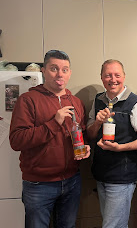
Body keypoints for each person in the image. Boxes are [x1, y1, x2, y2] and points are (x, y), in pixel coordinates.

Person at [9, 50, 91, 228]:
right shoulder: (28, 100)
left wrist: (85, 147)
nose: (60, 74)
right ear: (44, 70)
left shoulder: (76, 102)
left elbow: (80, 133)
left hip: (72, 180)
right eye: (54, 69)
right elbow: (17, 140)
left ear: (69, 73)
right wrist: (54, 123)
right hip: (39, 184)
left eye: (65, 69)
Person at [86, 59, 137, 228]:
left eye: (117, 75)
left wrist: (120, 148)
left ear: (124, 76)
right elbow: (90, 134)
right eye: (108, 75)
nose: (113, 79)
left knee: (112, 226)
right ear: (101, 78)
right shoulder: (98, 100)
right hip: (101, 174)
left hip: (122, 176)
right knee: (111, 224)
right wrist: (97, 123)